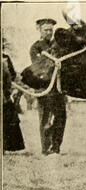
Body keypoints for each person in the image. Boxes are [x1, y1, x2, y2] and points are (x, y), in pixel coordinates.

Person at [30, 18, 67, 155]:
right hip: (44, 89)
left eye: (51, 30)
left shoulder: (59, 46)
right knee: (46, 119)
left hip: (58, 89)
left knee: (60, 118)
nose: (49, 32)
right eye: (46, 30)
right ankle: (46, 149)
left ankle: (56, 148)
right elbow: (39, 67)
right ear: (39, 30)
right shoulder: (36, 47)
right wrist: (54, 63)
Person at [2, 49, 25, 153]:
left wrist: (7, 90)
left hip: (4, 94)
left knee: (10, 118)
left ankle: (8, 146)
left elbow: (11, 75)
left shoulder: (5, 58)